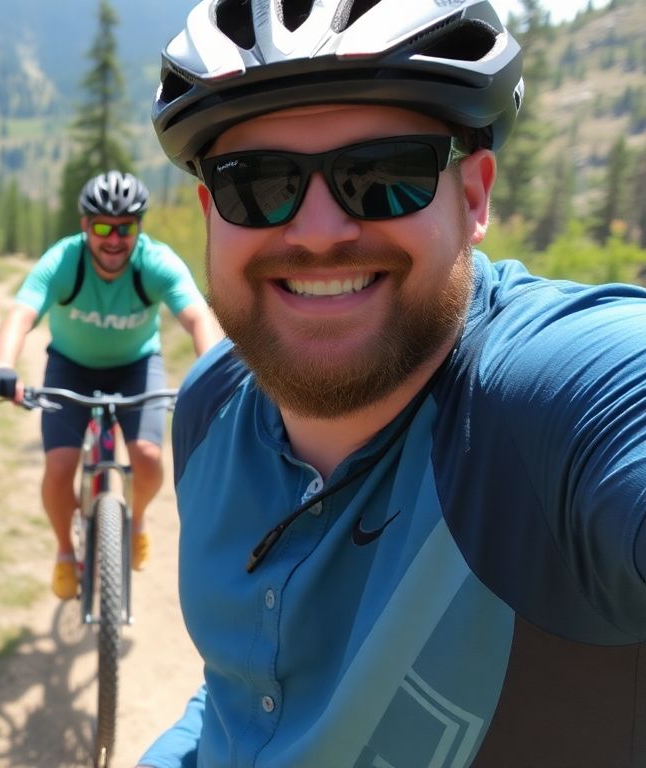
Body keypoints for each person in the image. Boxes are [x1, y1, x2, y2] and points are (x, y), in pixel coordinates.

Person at [138, 1, 646, 766]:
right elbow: (241, 691)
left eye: (383, 175)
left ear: (473, 197)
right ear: (212, 214)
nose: (316, 232)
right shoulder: (210, 409)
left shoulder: (559, 398)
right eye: (257, 184)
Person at [0, 171, 225, 601]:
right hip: (71, 368)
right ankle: (63, 552)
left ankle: (135, 520)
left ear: (138, 229)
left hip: (137, 366)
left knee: (148, 459)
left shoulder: (155, 262)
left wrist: (211, 371)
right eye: (101, 228)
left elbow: (196, 317)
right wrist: (4, 365)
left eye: (125, 228)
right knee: (59, 471)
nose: (113, 239)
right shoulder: (64, 261)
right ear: (84, 227)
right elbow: (22, 313)